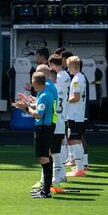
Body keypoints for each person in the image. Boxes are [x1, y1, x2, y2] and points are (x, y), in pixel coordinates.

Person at [13, 72, 55, 199]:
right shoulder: (43, 94)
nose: (31, 83)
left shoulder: (44, 95)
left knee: (44, 158)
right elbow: (38, 107)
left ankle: (46, 191)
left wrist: (26, 108)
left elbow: (38, 114)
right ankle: (45, 189)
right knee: (46, 157)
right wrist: (26, 104)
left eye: (32, 81)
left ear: (37, 83)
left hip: (43, 128)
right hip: (44, 127)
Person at [48, 55, 71, 189]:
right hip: (62, 115)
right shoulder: (64, 79)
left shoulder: (55, 86)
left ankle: (55, 178)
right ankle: (61, 174)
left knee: (53, 150)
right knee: (60, 144)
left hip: (55, 119)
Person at [66, 56, 87, 177]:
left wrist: (64, 100)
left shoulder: (76, 79)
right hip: (78, 114)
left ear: (74, 66)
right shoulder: (82, 77)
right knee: (77, 140)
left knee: (74, 140)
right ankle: (80, 167)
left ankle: (79, 169)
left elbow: (76, 97)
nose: (68, 69)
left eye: (69, 66)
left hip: (74, 114)